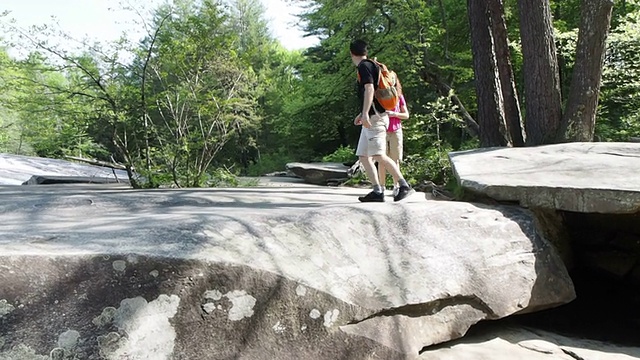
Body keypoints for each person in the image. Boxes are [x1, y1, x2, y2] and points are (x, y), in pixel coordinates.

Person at [350, 39, 413, 202]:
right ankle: (377, 191)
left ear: (352, 53)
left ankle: (404, 185)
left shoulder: (364, 66)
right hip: (372, 116)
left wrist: (365, 113)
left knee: (378, 154)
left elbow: (369, 89)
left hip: (375, 119)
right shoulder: (373, 65)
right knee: (363, 156)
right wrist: (362, 113)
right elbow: (371, 94)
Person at [378, 77, 409, 197]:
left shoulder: (399, 96)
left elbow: (406, 115)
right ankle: (382, 186)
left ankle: (397, 186)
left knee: (395, 159)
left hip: (396, 130)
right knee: (381, 159)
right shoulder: (379, 96)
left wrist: (394, 114)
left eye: (392, 79)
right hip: (382, 130)